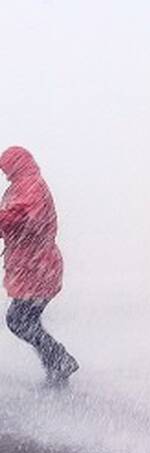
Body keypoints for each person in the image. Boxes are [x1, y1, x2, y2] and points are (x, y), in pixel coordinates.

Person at [0, 146, 78, 383]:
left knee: (18, 320)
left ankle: (59, 360)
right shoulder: (23, 185)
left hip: (37, 266)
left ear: (15, 164)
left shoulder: (29, 186)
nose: (4, 173)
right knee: (23, 320)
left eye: (5, 167)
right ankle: (57, 363)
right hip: (34, 266)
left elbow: (21, 217)